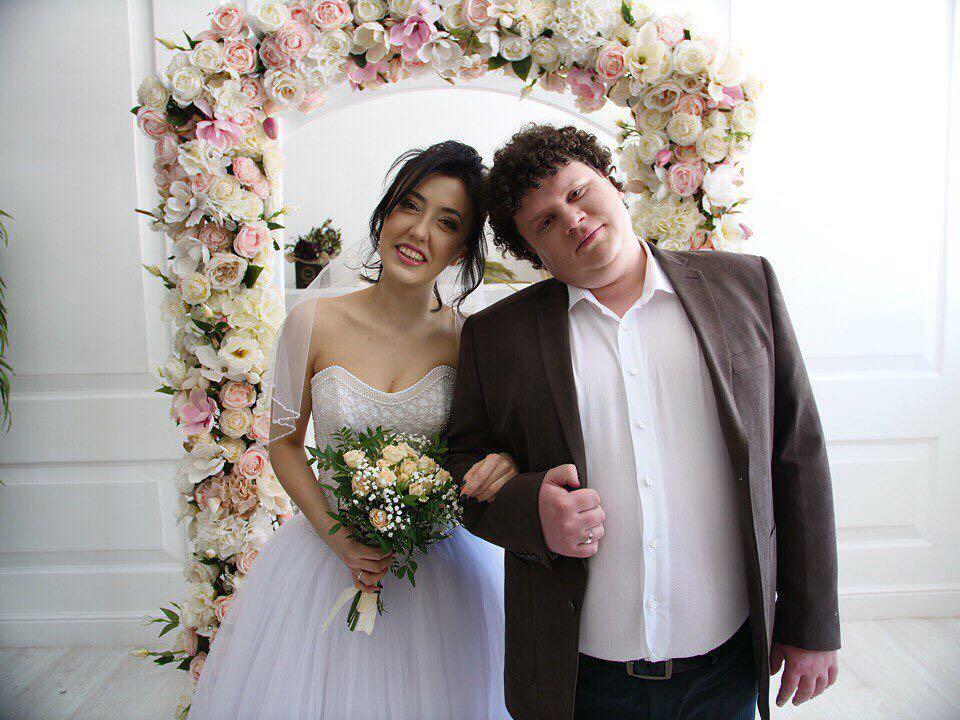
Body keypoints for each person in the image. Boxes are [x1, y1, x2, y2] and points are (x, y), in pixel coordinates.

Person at [445, 124, 841, 720]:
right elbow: (459, 470)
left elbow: (797, 452)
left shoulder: (745, 286)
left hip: (727, 664)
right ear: (533, 254)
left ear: (614, 183)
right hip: (577, 677)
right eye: (546, 221)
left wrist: (811, 624)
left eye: (577, 193)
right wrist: (531, 512)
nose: (573, 219)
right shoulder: (495, 337)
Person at [189, 141, 516, 720]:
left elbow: (488, 448)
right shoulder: (312, 321)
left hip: (436, 570)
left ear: (461, 249)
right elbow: (285, 445)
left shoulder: (469, 340)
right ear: (386, 212)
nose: (418, 231)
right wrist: (340, 538)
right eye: (409, 205)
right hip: (326, 553)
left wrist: (504, 463)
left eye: (446, 222)